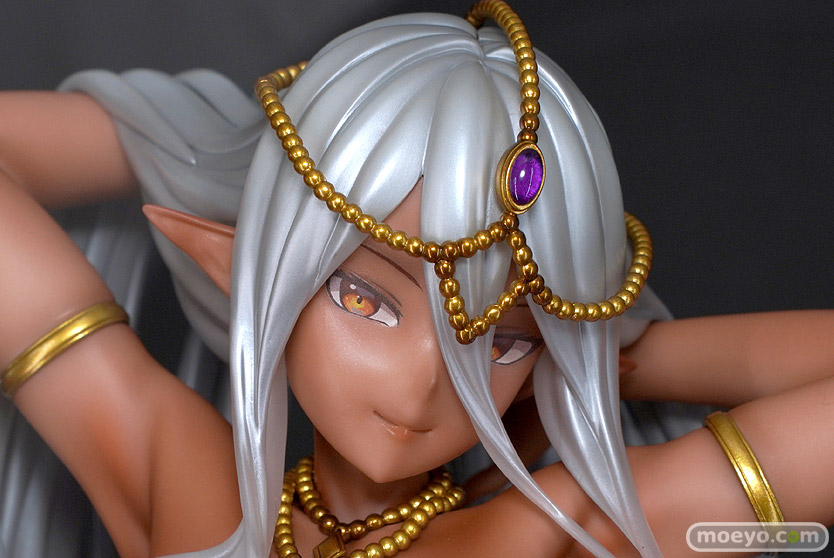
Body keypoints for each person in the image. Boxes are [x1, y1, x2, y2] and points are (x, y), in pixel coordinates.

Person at [1, 3, 832, 557]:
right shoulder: (180, 473)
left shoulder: (556, 532)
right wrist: (226, 157)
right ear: (247, 269)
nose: (428, 379)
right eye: (365, 299)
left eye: (500, 341)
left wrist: (606, 356)